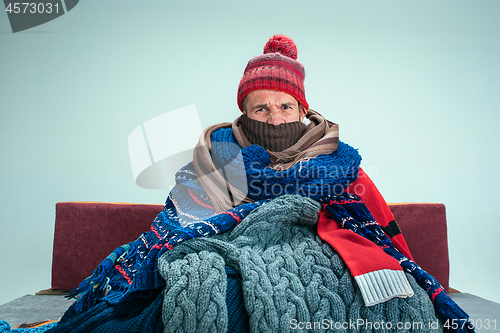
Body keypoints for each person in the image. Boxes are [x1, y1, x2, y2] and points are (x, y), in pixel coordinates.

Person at [42, 35, 473, 333]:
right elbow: (179, 222)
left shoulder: (340, 164)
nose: (274, 116)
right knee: (208, 291)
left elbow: (376, 229)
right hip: (232, 249)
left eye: (286, 105)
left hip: (326, 255)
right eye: (260, 107)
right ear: (244, 112)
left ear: (302, 110)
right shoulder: (214, 157)